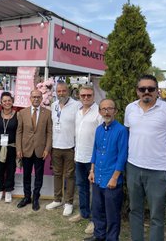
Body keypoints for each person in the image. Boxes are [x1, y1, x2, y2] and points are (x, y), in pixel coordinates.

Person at [124, 74, 166, 241]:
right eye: (142, 89)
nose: (146, 92)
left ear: (157, 91)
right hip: (133, 167)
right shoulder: (130, 108)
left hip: (158, 170)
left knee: (157, 214)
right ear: (137, 91)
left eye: (151, 89)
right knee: (135, 210)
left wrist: (161, 155)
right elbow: (129, 134)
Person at [84, 99, 128, 241]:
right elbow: (95, 151)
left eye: (110, 109)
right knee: (97, 210)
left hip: (111, 179)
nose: (106, 112)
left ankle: (112, 238)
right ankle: (99, 236)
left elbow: (122, 156)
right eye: (103, 109)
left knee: (112, 214)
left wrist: (115, 177)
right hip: (98, 177)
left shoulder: (121, 130)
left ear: (115, 111)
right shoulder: (98, 129)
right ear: (100, 112)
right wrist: (92, 170)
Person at [69, 85, 103, 235]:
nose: (86, 98)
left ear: (93, 95)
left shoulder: (99, 112)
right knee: (81, 187)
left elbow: (102, 137)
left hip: (93, 159)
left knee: (95, 191)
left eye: (89, 95)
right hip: (79, 156)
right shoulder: (78, 112)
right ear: (79, 96)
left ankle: (94, 221)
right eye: (83, 95)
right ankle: (84, 213)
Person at [46, 81, 81, 216]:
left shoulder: (76, 105)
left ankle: (69, 203)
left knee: (70, 176)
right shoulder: (54, 105)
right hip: (56, 146)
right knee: (57, 174)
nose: (61, 93)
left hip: (70, 147)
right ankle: (57, 199)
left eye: (63, 91)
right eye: (59, 91)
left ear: (68, 91)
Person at [16, 90, 52, 211]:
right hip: (25, 150)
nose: (36, 99)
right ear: (30, 98)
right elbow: (19, 132)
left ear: (41, 98)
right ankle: (27, 197)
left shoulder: (47, 113)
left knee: (38, 175)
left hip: (40, 150)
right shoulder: (22, 113)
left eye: (38, 97)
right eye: (34, 97)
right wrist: (19, 148)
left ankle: (36, 197)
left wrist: (47, 149)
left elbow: (49, 133)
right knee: (26, 174)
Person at [0, 92, 18, 203]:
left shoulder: (17, 115)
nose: (7, 103)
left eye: (9, 100)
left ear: (12, 101)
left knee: (10, 169)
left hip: (12, 147)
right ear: (1, 103)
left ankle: (8, 190)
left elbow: (20, 132)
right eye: (4, 101)